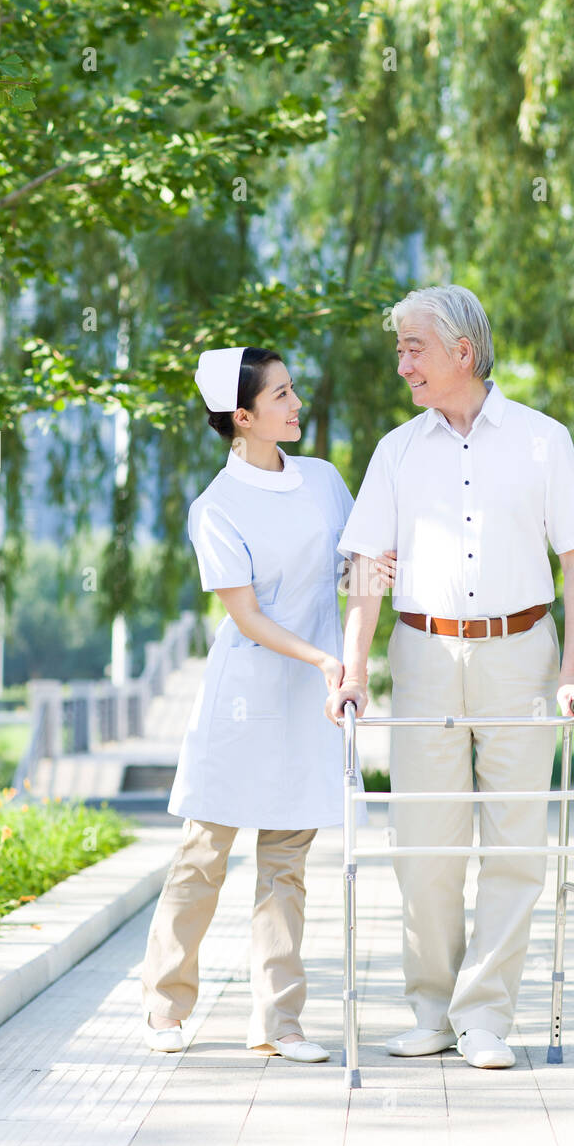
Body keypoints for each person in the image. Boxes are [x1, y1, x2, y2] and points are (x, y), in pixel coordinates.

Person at [327, 285, 574, 1070]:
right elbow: (368, 568)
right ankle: (430, 1011)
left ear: (463, 353)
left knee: (517, 841)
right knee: (424, 842)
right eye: (401, 347)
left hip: (521, 654)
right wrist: (354, 670)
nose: (402, 361)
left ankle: (486, 1018)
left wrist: (573, 672)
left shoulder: (545, 441)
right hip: (423, 657)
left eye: (414, 346)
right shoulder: (397, 450)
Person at [141, 345, 394, 1062]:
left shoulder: (321, 480)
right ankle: (164, 1009)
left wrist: (375, 592)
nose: (295, 403)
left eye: (293, 389)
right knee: (203, 854)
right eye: (280, 396)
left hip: (314, 697)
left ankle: (278, 1022)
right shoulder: (215, 507)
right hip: (247, 695)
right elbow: (246, 616)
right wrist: (324, 659)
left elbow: (358, 562)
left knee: (287, 863)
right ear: (242, 417)